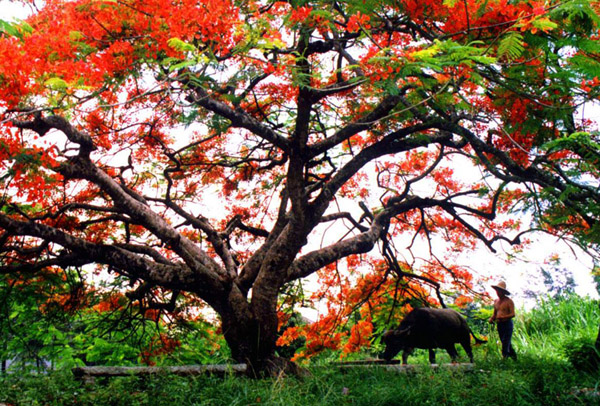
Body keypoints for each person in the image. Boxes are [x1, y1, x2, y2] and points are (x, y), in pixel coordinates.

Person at [489, 281, 517, 360]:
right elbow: (495, 314)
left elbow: (513, 314)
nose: (498, 293)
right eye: (497, 291)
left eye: (500, 291)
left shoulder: (509, 301)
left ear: (503, 292)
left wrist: (503, 317)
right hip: (500, 324)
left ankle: (505, 358)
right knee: (505, 342)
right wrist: (491, 319)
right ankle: (514, 357)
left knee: (505, 342)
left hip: (507, 324)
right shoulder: (496, 301)